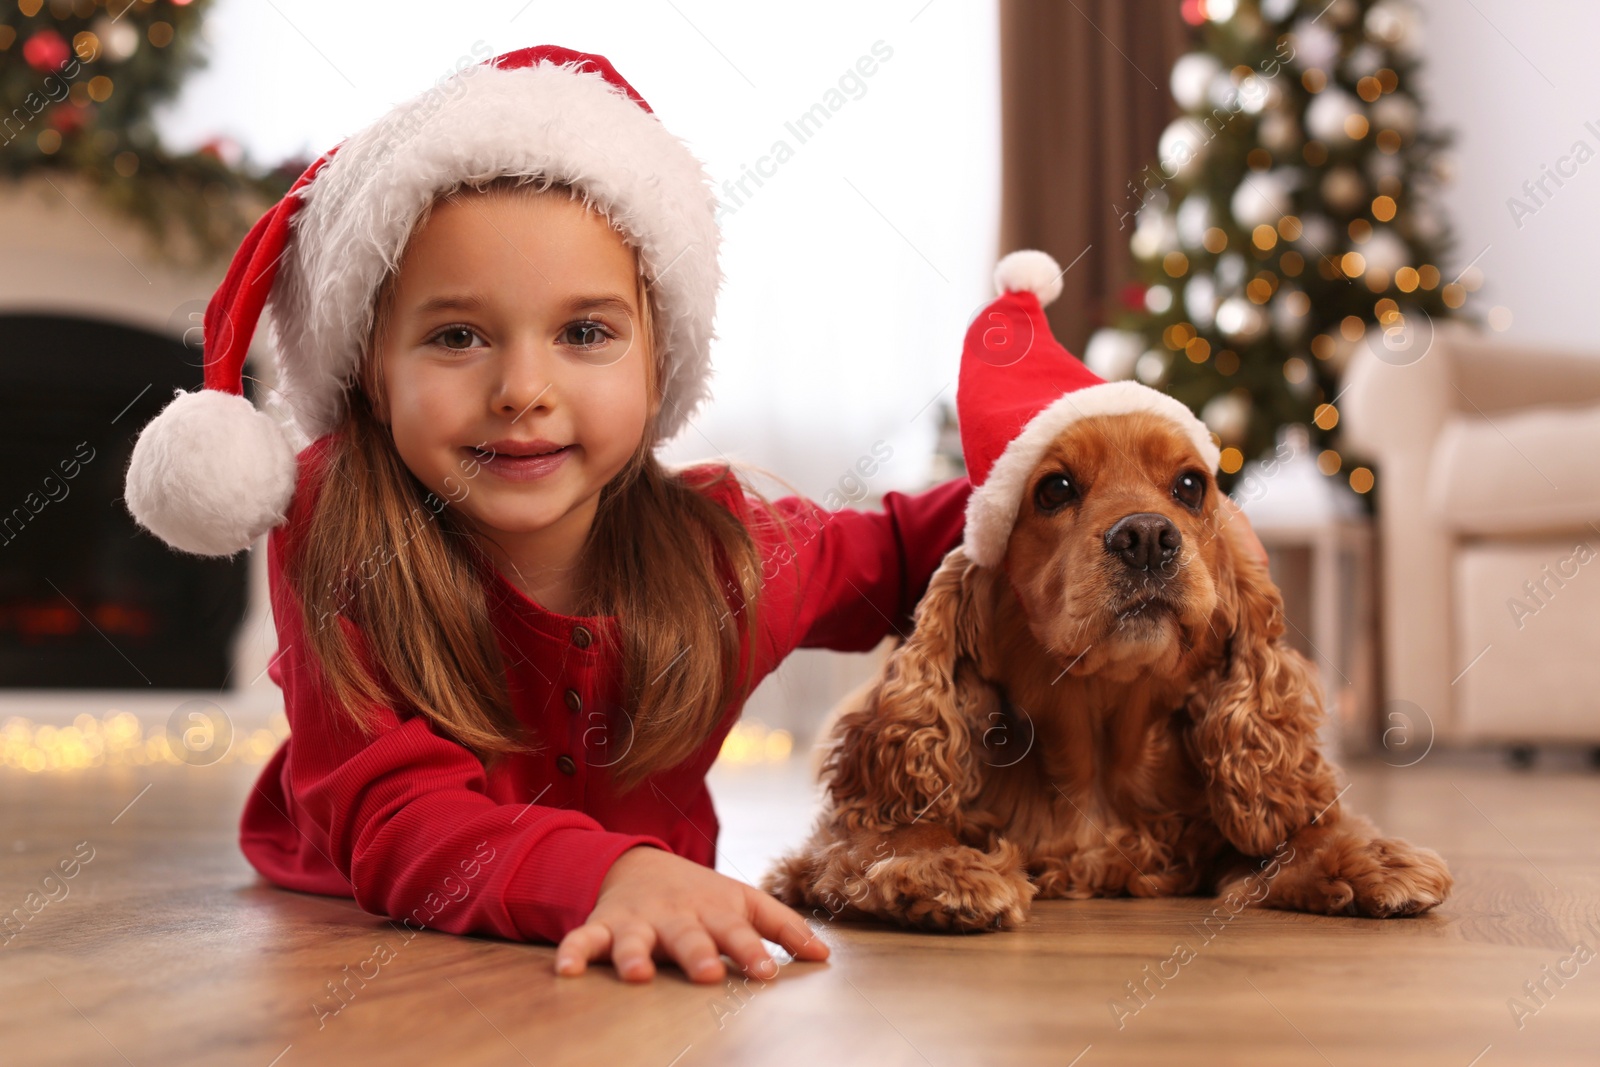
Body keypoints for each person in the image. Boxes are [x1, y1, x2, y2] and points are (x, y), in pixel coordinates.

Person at [122, 44, 1265, 987]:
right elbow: (398, 818)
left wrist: (1102, 502)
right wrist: (606, 873)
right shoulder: (337, 534)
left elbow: (907, 550)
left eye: (585, 332)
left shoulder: (725, 554)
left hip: (665, 933)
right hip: (371, 921)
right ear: (371, 375)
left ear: (658, 360)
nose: (523, 389)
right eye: (457, 335)